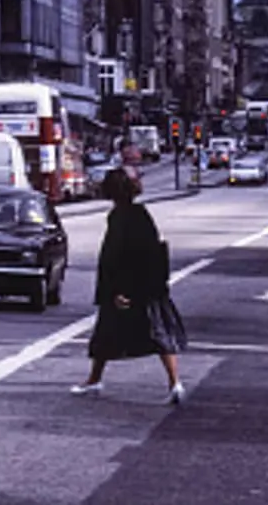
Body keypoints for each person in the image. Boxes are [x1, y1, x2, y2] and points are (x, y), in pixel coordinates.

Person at [72, 168, 187, 404]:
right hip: (148, 287)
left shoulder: (121, 217)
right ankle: (174, 383)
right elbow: (152, 251)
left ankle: (95, 380)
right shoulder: (138, 214)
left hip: (128, 289)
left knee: (110, 334)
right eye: (136, 178)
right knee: (156, 334)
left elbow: (116, 258)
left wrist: (118, 290)